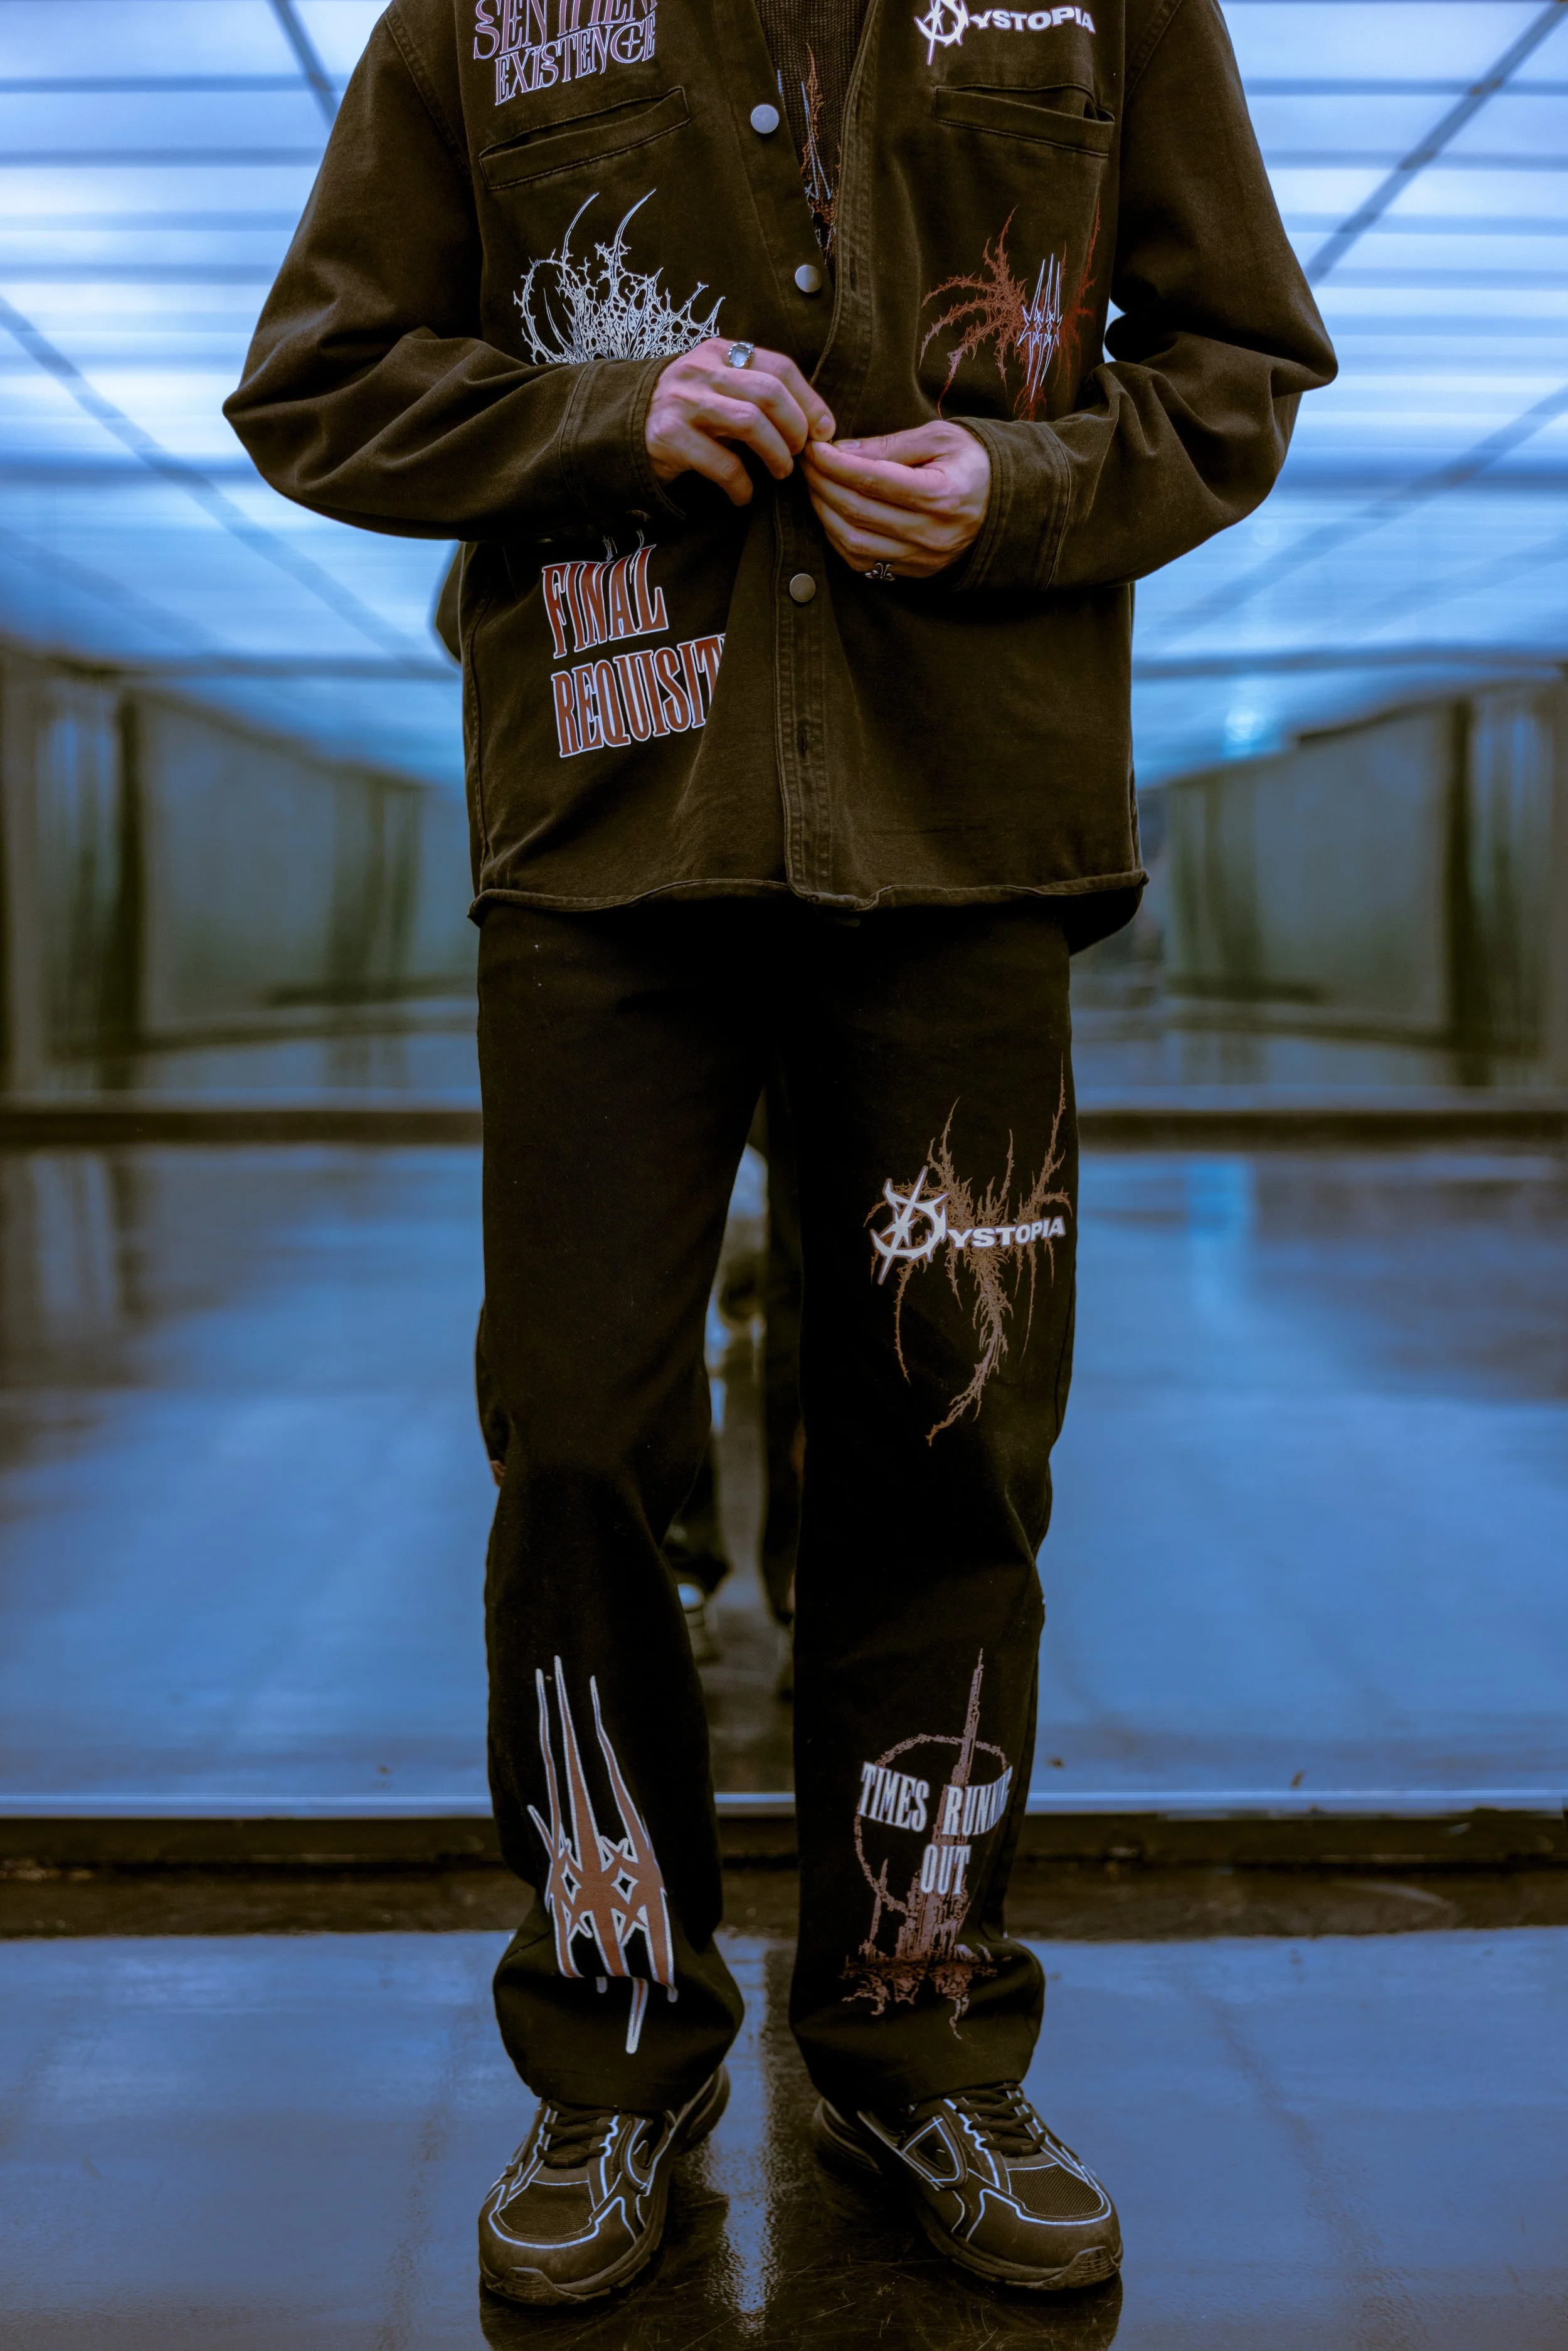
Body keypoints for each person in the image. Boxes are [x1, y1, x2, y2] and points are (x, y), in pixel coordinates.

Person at [226, 0, 1333, 2306]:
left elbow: (1231, 365)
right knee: (582, 1441)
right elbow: (315, 380)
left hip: (966, 836)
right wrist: (594, 413)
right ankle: (614, 2058)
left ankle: (916, 2040)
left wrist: (1020, 489)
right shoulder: (486, 14)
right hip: (611, 836)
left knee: (946, 1452)